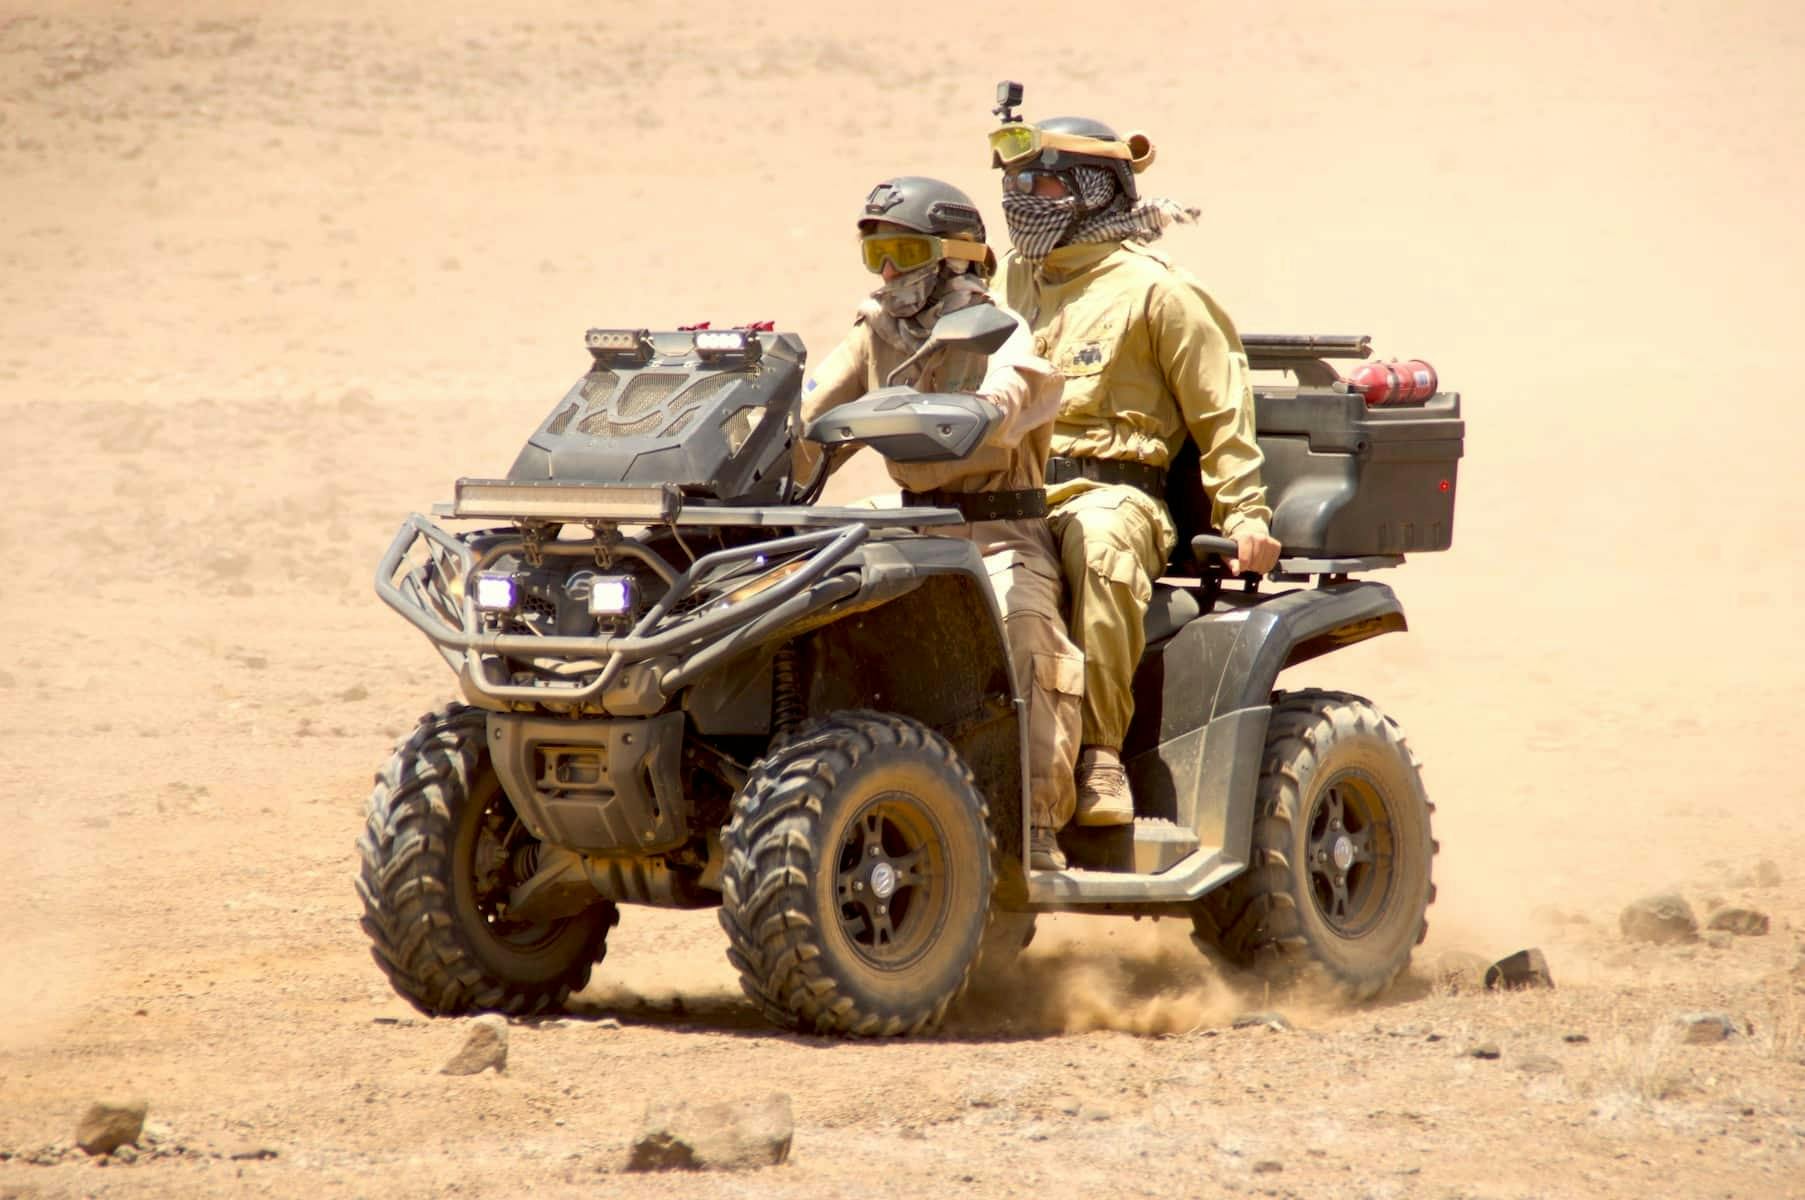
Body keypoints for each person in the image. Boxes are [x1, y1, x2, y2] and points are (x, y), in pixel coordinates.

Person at [989, 113, 1282, 826]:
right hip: (1011, 490)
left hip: (1116, 493)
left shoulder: (1158, 293)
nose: (1024, 196)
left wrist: (1245, 516)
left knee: (1099, 545)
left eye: (1046, 180)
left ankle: (1097, 759)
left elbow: (1222, 415)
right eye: (1016, 181)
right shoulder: (1007, 283)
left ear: (1096, 190)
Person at [795, 176, 1084, 870]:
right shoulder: (875, 332)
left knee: (1023, 634)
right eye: (876, 253)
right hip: (913, 528)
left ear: (954, 255)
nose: (888, 270)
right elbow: (808, 428)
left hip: (996, 530)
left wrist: (986, 406)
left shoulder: (998, 325)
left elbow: (1021, 385)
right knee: (789, 594)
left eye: (902, 250)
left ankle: (1034, 822)